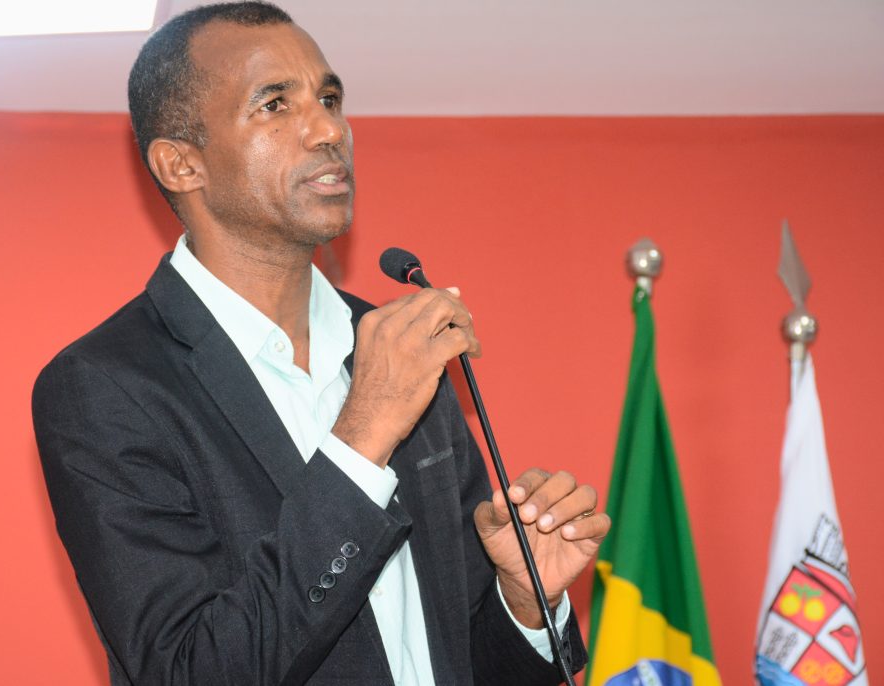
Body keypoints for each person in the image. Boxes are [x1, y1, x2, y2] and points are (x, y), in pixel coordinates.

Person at [32, 2, 611, 684]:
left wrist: (522, 600)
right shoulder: (104, 387)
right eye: (275, 104)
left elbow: (458, 659)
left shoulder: (399, 350)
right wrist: (363, 433)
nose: (330, 130)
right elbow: (191, 670)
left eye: (330, 99)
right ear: (181, 164)